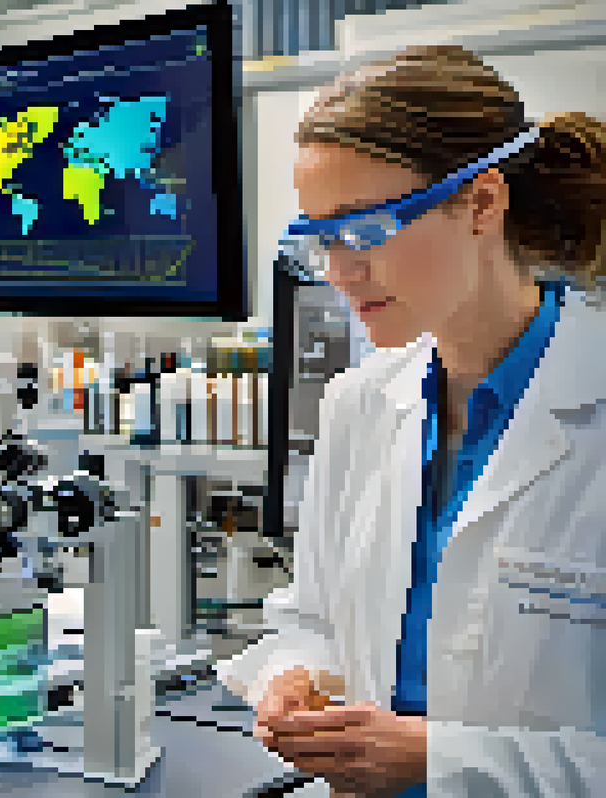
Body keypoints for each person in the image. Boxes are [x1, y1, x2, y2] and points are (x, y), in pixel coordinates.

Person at [216, 45, 606, 797]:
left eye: (366, 229)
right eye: (321, 238)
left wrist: (442, 760)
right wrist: (294, 676)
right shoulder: (360, 402)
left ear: (483, 205)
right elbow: (314, 617)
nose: (338, 271)